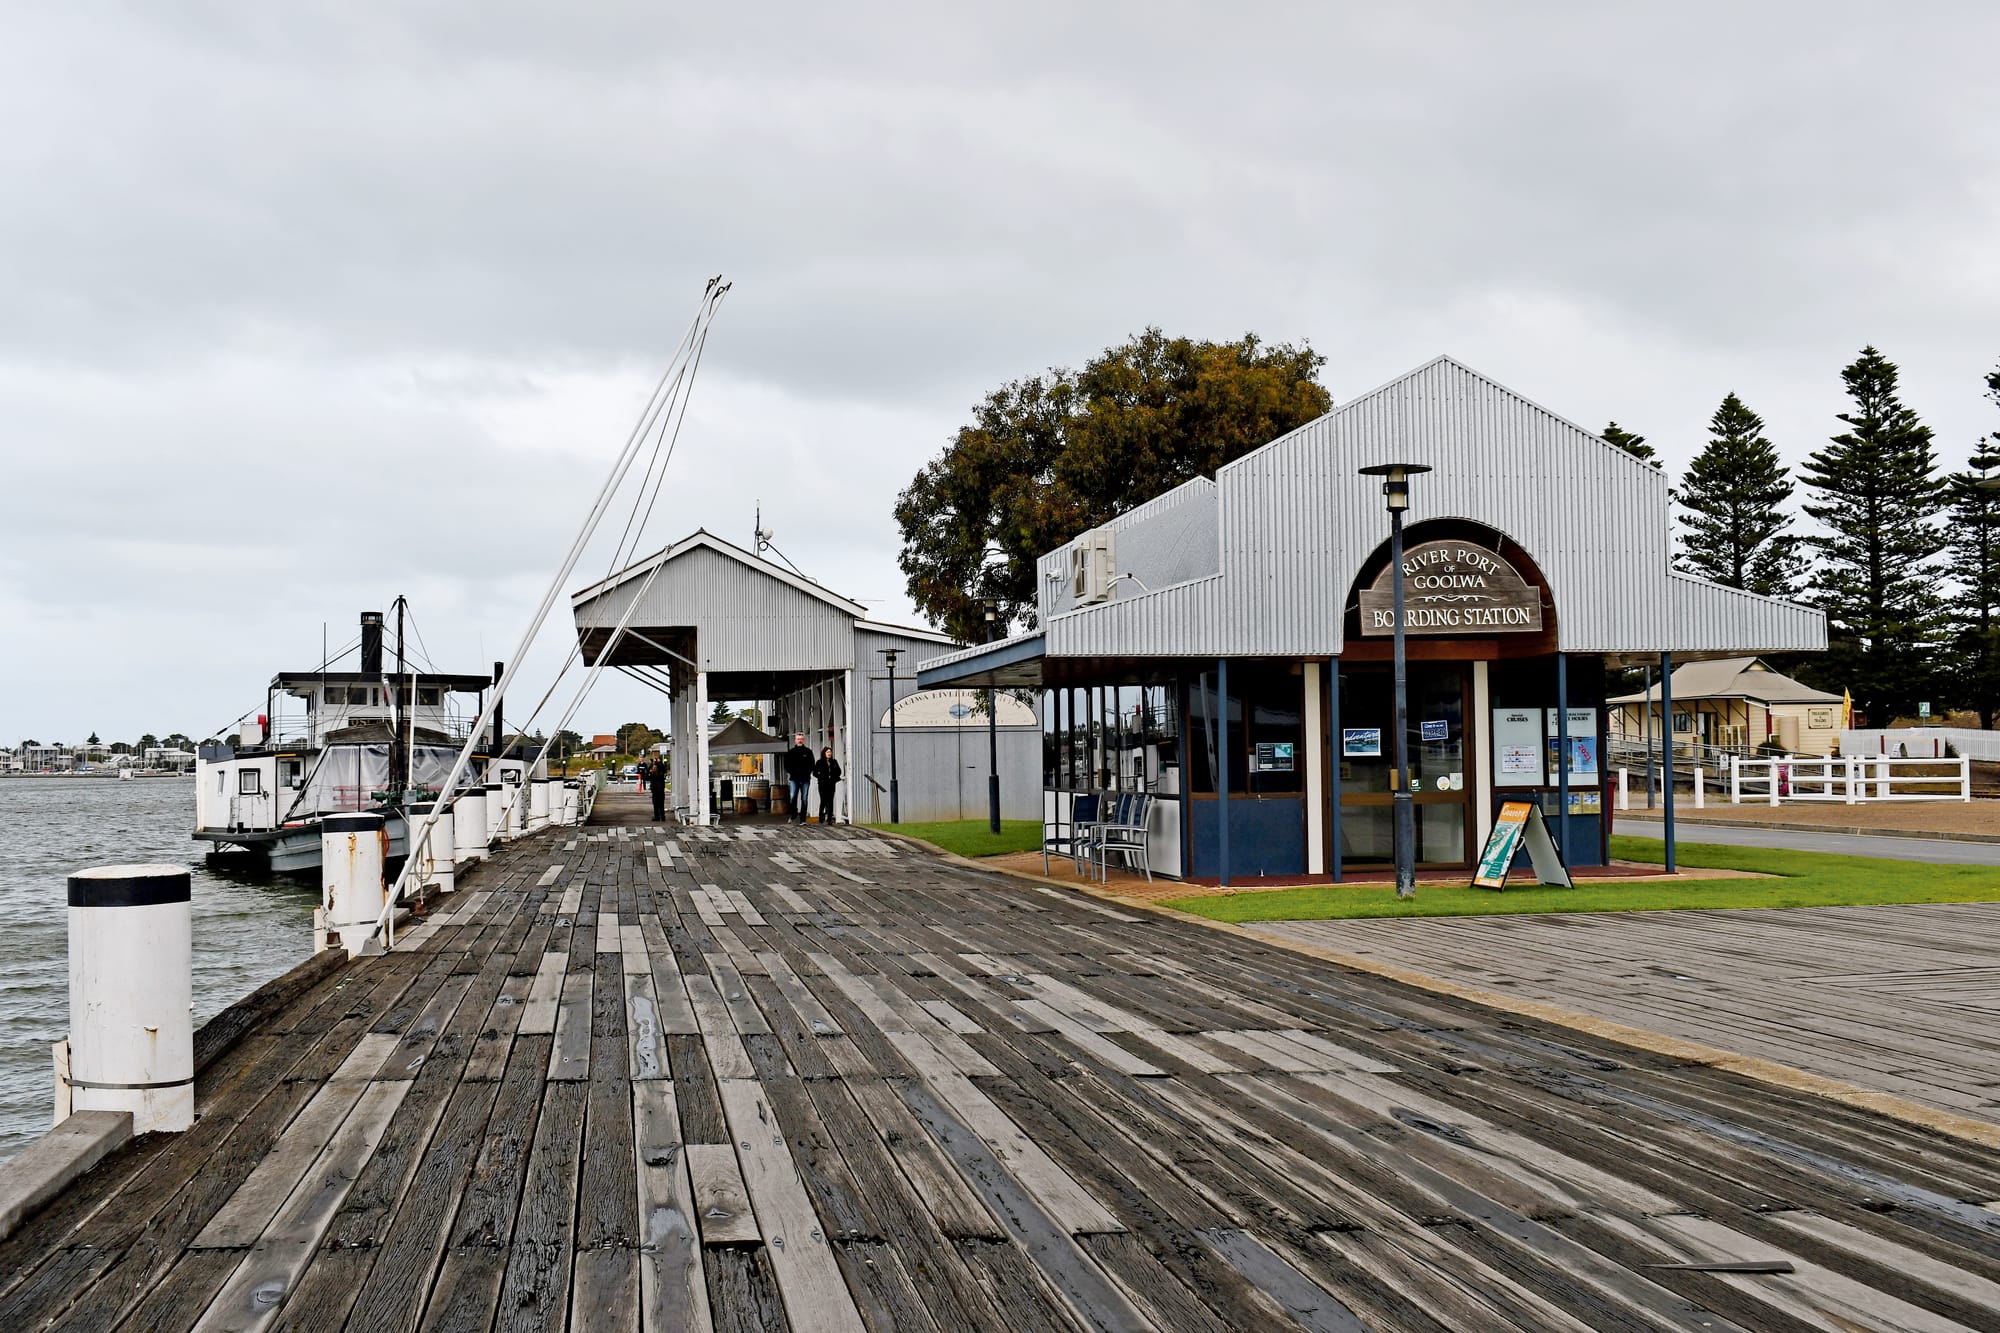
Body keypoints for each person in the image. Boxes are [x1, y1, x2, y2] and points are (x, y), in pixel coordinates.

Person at [783, 735, 815, 824]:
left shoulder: (808, 752)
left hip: (805, 779)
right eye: (798, 739)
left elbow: (812, 764)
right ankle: (794, 813)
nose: (800, 740)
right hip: (794, 779)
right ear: (795, 740)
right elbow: (786, 764)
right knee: (793, 797)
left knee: (804, 798)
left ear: (803, 740)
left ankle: (803, 819)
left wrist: (807, 772)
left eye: (801, 739)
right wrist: (792, 772)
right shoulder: (791, 752)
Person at [812, 746, 841, 824]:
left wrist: (834, 777)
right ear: (824, 753)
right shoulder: (819, 762)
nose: (829, 753)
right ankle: (821, 817)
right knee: (823, 800)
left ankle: (829, 819)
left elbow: (839, 771)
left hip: (831, 784)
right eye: (827, 752)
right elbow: (814, 773)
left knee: (830, 801)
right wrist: (821, 777)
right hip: (822, 784)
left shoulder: (834, 762)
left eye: (830, 752)